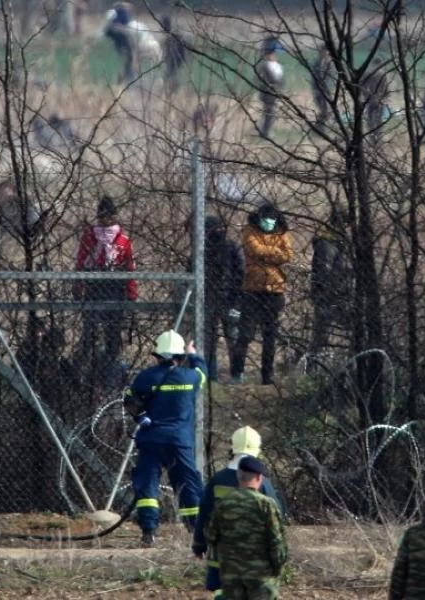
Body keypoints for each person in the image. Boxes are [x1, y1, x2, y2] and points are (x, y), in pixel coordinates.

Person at [124, 330, 206, 547]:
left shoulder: (146, 377)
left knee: (147, 484)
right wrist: (194, 354)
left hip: (151, 439)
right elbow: (203, 373)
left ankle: (148, 531)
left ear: (158, 355)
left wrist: (141, 417)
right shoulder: (191, 377)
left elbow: (130, 401)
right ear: (180, 356)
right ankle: (195, 530)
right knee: (188, 484)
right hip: (180, 441)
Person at [194, 426, 285, 600]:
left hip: (224, 563)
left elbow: (205, 515)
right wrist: (278, 562)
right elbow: (277, 525)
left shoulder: (217, 480)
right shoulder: (263, 484)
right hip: (257, 567)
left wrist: (199, 545)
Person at [229, 203, 293, 386]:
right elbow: (254, 249)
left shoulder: (282, 232)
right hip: (252, 289)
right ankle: (237, 372)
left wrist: (265, 255)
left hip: (275, 290)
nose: (268, 222)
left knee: (270, 336)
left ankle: (267, 375)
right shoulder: (250, 230)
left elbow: (288, 255)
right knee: (245, 334)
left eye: (272, 219)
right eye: (266, 219)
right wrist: (275, 252)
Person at [74, 196, 137, 379]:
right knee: (90, 330)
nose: (106, 220)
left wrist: (132, 293)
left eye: (109, 216)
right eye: (103, 216)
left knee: (113, 333)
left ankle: (110, 370)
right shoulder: (89, 237)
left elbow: (129, 267)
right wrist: (79, 285)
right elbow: (81, 262)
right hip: (94, 286)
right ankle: (86, 369)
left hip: (115, 288)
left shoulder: (123, 240)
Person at [201, 215, 243, 381]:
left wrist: (237, 299)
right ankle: (210, 375)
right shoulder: (203, 249)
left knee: (232, 336)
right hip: (209, 298)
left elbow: (240, 273)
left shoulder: (230, 248)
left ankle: (237, 373)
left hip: (229, 298)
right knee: (209, 339)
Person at [309, 215, 347, 354]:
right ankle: (319, 358)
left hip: (335, 293)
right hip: (329, 294)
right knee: (322, 330)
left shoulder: (337, 244)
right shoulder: (327, 245)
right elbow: (324, 271)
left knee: (324, 330)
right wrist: (329, 291)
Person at [256, 38, 284, 138]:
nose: (273, 56)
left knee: (271, 114)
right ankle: (265, 132)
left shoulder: (278, 66)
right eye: (271, 54)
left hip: (275, 94)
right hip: (268, 95)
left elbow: (280, 81)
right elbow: (262, 82)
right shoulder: (264, 66)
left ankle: (266, 130)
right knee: (268, 113)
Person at [105, 2, 136, 84]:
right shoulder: (123, 18)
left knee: (126, 63)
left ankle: (127, 79)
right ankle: (128, 79)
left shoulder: (119, 19)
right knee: (126, 63)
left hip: (122, 46)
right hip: (123, 46)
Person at [161, 15, 188, 94]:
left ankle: (173, 90)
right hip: (176, 57)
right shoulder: (172, 32)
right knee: (171, 74)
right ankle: (172, 90)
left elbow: (173, 47)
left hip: (176, 57)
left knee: (170, 74)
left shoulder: (172, 33)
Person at [311, 45, 333, 128]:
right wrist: (315, 89)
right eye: (321, 52)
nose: (323, 54)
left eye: (325, 52)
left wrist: (327, 88)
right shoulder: (316, 63)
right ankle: (319, 127)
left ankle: (319, 127)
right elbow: (313, 77)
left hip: (327, 91)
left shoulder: (330, 64)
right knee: (322, 109)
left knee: (326, 110)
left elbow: (331, 78)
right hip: (318, 91)